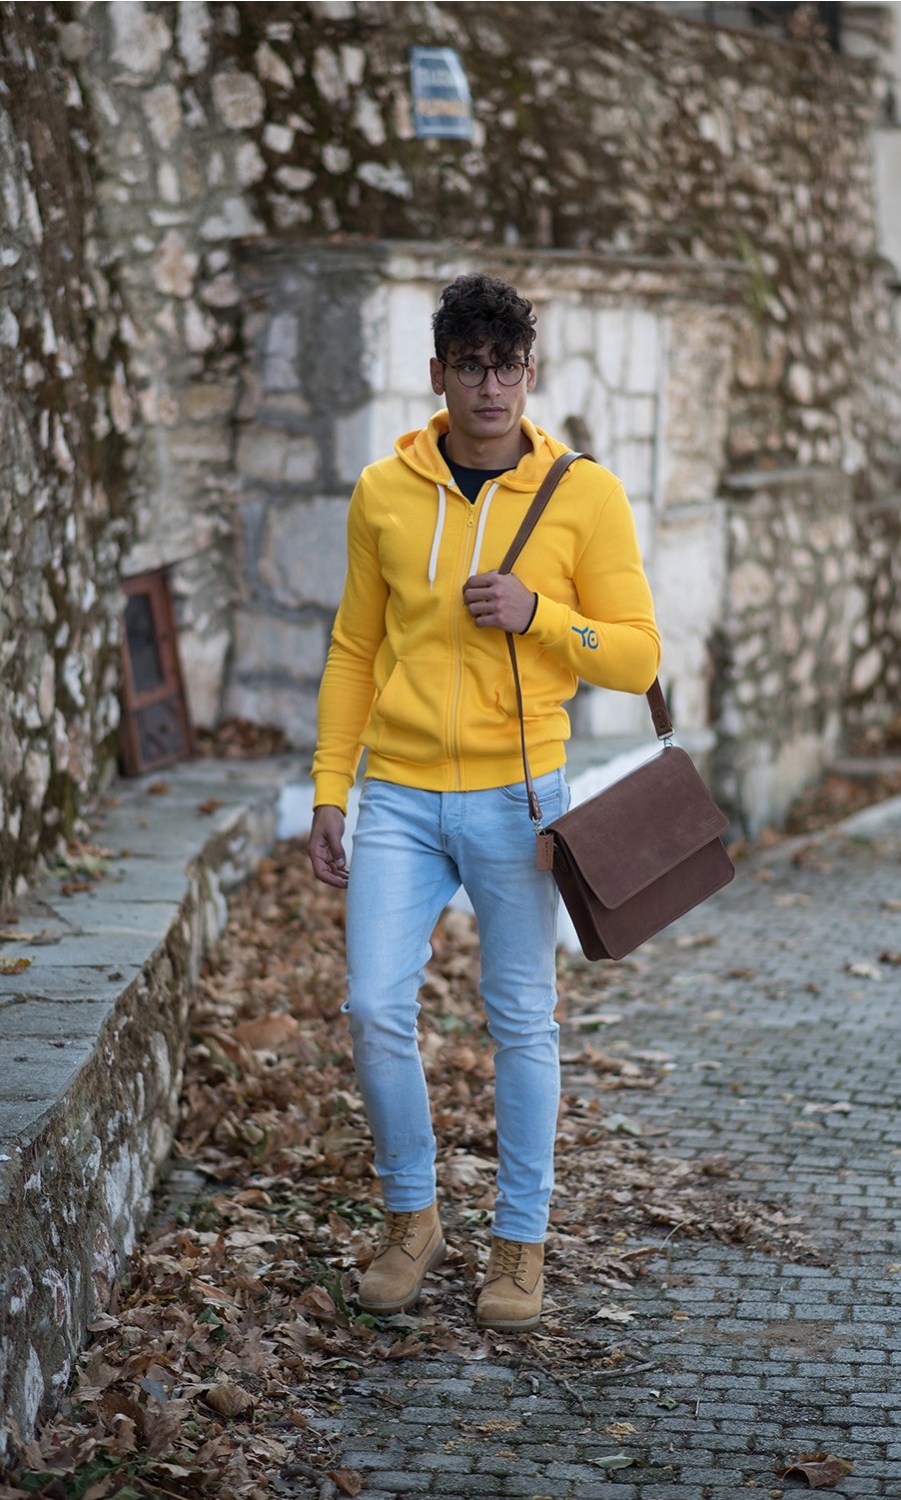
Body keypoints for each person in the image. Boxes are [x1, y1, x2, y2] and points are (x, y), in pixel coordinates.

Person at [308, 272, 660, 1330]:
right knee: (373, 1004)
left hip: (519, 797)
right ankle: (412, 1217)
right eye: (470, 364)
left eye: (507, 365)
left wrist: (540, 614)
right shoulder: (383, 492)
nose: (491, 385)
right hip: (403, 797)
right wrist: (333, 786)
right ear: (439, 374)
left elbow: (638, 654)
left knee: (521, 1022)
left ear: (529, 372)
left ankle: (519, 1242)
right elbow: (354, 648)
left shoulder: (582, 495)